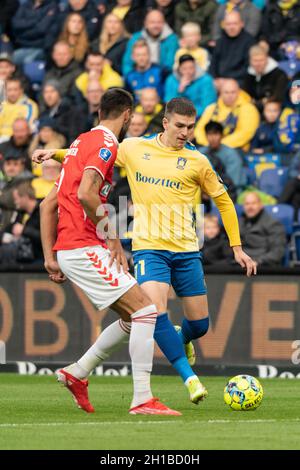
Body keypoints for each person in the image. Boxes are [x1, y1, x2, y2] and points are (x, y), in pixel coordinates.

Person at [33, 96, 256, 405]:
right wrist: (53, 154)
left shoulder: (198, 161)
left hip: (187, 249)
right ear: (165, 123)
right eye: (179, 125)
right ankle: (185, 380)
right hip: (149, 249)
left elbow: (224, 202)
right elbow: (87, 158)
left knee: (196, 325)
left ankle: (172, 343)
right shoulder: (134, 148)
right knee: (149, 311)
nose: (184, 132)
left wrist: (237, 248)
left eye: (190, 127)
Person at [37, 88, 179, 416]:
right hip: (84, 246)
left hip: (73, 248)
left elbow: (48, 205)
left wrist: (49, 257)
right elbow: (88, 194)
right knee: (146, 312)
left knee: (133, 318)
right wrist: (113, 238)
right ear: (127, 115)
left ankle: (78, 372)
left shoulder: (78, 144)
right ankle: (143, 399)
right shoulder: (105, 144)